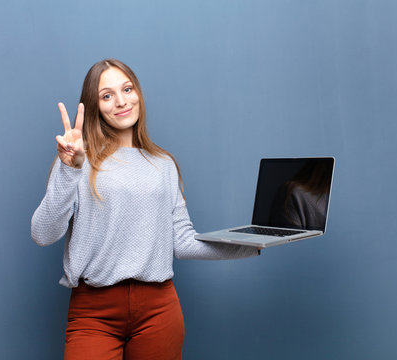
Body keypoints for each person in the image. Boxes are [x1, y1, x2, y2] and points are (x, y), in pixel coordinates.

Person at [31, 58, 260, 360]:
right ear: (94, 105)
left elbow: (183, 241)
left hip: (159, 309)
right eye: (107, 95)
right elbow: (42, 234)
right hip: (93, 311)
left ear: (138, 93)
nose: (122, 101)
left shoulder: (163, 164)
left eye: (127, 89)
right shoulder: (77, 160)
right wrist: (69, 169)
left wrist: (254, 243)